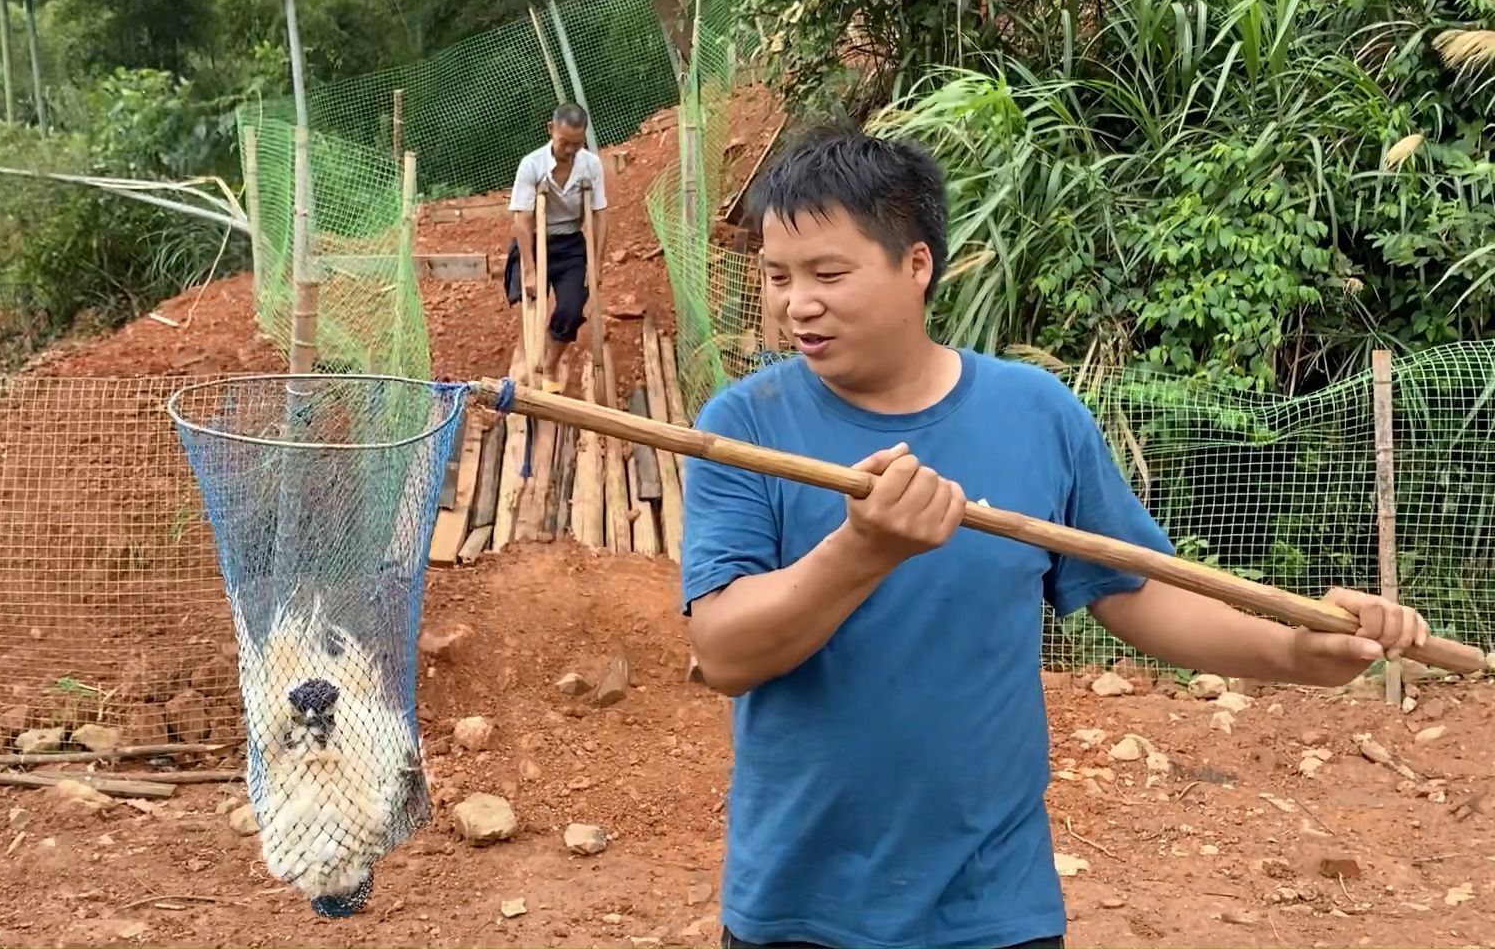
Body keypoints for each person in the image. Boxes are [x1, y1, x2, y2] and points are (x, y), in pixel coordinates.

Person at [678, 124, 1431, 949]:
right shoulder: (742, 428)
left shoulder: (1036, 413)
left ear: (916, 264)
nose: (797, 304)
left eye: (829, 273)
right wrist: (863, 552)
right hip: (798, 904)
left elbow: (1134, 590)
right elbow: (725, 653)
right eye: (778, 277)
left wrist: (1296, 651)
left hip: (993, 908)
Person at [505, 102, 609, 391]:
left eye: (577, 144)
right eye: (565, 143)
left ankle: (550, 366)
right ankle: (527, 361)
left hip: (569, 243)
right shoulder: (532, 165)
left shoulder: (590, 165)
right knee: (528, 302)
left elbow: (599, 215)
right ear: (551, 130)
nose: (570, 151)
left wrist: (596, 264)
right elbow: (522, 218)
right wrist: (528, 268)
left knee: (572, 307)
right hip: (534, 239)